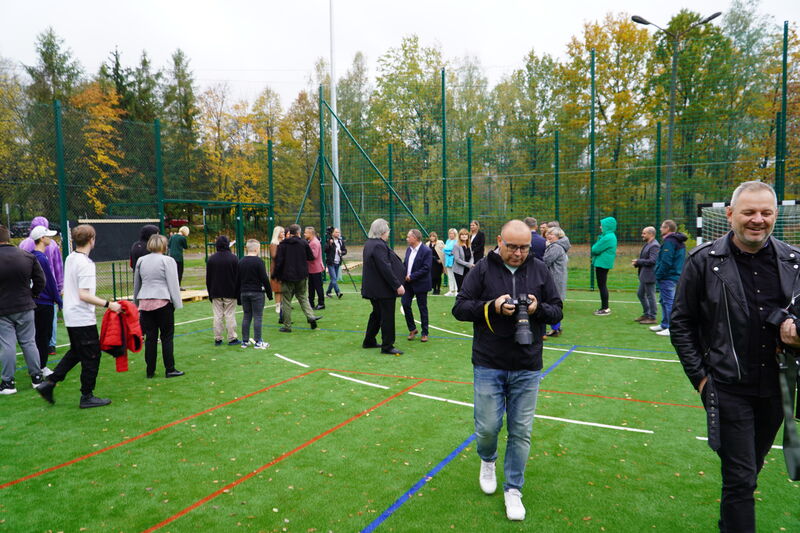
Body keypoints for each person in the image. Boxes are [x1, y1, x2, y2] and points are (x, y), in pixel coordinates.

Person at [671, 181, 799, 532]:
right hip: (727, 387)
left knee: (749, 470)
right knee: (740, 478)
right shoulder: (703, 261)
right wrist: (700, 380)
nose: (757, 219)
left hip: (778, 389)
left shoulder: (794, 262)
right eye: (749, 212)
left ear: (776, 216)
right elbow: (681, 323)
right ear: (730, 215)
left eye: (766, 212)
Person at [452, 220, 562, 522]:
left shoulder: (540, 269)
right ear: (500, 241)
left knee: (521, 430)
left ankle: (513, 488)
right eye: (511, 246)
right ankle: (487, 459)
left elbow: (557, 310)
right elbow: (460, 308)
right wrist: (493, 306)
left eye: (523, 247)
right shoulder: (483, 270)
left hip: (527, 364)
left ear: (531, 244)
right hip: (489, 362)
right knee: (487, 427)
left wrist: (538, 308)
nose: (517, 253)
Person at [37, 224, 122, 408]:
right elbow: (84, 294)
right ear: (92, 240)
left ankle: (49, 382)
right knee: (92, 356)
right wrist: (109, 305)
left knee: (77, 351)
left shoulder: (71, 257)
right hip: (81, 316)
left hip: (71, 313)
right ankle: (87, 396)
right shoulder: (85, 264)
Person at [0, 225, 45, 395]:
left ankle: (8, 383)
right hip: (25, 305)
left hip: (3, 309)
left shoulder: (27, 256)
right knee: (29, 342)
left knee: (7, 345)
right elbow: (41, 281)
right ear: (8, 238)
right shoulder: (27, 256)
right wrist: (32, 295)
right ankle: (37, 378)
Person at [134, 234, 184, 378]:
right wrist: (176, 302)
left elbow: (137, 284)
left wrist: (136, 303)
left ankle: (150, 370)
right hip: (163, 302)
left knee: (150, 338)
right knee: (167, 337)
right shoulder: (168, 261)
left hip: (145, 303)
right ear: (164, 246)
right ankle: (170, 369)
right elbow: (173, 283)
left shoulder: (141, 261)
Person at [19, 216, 64, 358]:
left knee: (34, 324)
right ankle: (50, 346)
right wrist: (59, 288)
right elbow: (56, 267)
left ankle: (35, 349)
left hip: (31, 292)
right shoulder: (50, 247)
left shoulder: (23, 244)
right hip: (47, 293)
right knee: (49, 322)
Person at [361, 218, 405, 355]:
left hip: (374, 288)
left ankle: (369, 340)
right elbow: (385, 267)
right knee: (387, 316)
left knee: (377, 314)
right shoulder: (378, 245)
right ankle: (387, 346)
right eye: (387, 230)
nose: (388, 232)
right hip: (383, 290)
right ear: (382, 231)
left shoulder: (369, 243)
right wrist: (397, 285)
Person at [272, 224, 322, 333]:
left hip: (287, 276)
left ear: (289, 233)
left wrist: (275, 275)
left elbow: (279, 262)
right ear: (299, 232)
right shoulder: (304, 243)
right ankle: (310, 316)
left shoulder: (283, 245)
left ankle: (287, 326)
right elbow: (311, 257)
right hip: (301, 275)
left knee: (286, 301)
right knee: (303, 297)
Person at [30, 225, 63, 375]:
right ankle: (41, 367)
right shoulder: (41, 258)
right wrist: (58, 299)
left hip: (36, 301)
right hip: (44, 302)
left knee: (38, 335)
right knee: (44, 336)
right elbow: (49, 281)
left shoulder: (32, 255)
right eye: (48, 236)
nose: (50, 238)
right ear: (42, 239)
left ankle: (37, 365)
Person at [649, 220, 687, 337]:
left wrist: (659, 274)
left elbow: (666, 261)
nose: (660, 229)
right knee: (664, 300)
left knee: (669, 301)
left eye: (662, 227)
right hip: (672, 275)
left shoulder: (670, 241)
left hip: (668, 276)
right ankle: (665, 324)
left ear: (668, 229)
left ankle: (671, 327)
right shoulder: (676, 241)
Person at [237, 239, 272, 349]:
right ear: (257, 249)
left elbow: (237, 280)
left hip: (244, 292)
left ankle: (245, 341)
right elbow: (264, 279)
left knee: (246, 316)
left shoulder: (241, 261)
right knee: (258, 316)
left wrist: (238, 296)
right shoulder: (259, 262)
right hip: (257, 292)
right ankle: (258, 341)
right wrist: (269, 293)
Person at [206, 235, 240, 346]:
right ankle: (232, 337)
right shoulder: (233, 258)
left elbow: (208, 278)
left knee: (217, 315)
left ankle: (218, 338)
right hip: (230, 291)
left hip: (215, 291)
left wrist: (210, 292)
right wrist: (238, 292)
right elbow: (237, 277)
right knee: (229, 315)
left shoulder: (212, 259)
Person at [402, 229, 432, 343]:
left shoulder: (426, 251)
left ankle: (425, 333)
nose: (407, 238)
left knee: (422, 308)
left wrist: (412, 276)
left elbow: (426, 268)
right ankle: (412, 329)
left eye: (408, 236)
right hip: (408, 284)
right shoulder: (408, 249)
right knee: (405, 304)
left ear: (415, 238)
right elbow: (405, 264)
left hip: (421, 283)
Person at [543, 227, 570, 338]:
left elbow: (546, 261)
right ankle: (556, 328)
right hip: (558, 278)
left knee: (551, 304)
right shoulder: (558, 246)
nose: (549, 236)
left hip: (554, 279)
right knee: (553, 304)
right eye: (548, 234)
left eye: (552, 234)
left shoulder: (556, 247)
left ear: (558, 236)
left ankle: (555, 328)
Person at [632, 226, 660, 325]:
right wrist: (637, 263)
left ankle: (652, 317)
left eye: (644, 233)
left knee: (650, 295)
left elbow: (653, 261)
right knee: (640, 294)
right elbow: (646, 259)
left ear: (651, 234)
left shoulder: (654, 246)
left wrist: (638, 261)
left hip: (650, 275)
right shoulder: (648, 244)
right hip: (644, 275)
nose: (642, 235)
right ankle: (646, 314)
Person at [590, 217, 617, 316]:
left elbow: (595, 249)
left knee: (602, 286)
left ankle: (605, 308)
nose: (600, 227)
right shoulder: (608, 236)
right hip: (603, 263)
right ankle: (604, 307)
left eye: (602, 225)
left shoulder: (608, 237)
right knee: (602, 286)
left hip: (602, 264)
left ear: (607, 226)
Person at [305, 226, 325, 310]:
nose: (304, 234)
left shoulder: (314, 243)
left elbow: (314, 255)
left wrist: (304, 254)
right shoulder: (311, 242)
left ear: (310, 233)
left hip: (315, 269)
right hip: (312, 269)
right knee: (311, 287)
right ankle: (311, 303)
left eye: (306, 232)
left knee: (318, 287)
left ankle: (321, 303)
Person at [324, 227, 347, 299]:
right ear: (332, 233)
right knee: (334, 278)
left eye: (338, 232)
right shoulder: (329, 241)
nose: (338, 233)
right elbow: (325, 250)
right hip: (331, 262)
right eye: (336, 232)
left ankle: (328, 292)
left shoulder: (341, 241)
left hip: (337, 262)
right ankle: (338, 292)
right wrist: (330, 244)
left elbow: (345, 251)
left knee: (334, 279)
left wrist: (342, 252)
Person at [269, 226, 285, 323]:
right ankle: (278, 305)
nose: (283, 234)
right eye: (281, 232)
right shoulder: (274, 243)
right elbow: (274, 255)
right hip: (276, 267)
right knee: (277, 287)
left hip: (283, 267)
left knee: (283, 287)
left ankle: (282, 304)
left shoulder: (284, 242)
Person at [453, 228, 474, 292]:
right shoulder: (456, 245)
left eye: (466, 234)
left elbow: (472, 257)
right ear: (459, 236)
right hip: (459, 271)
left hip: (468, 270)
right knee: (461, 290)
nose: (464, 236)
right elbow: (457, 259)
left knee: (467, 289)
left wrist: (471, 264)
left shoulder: (469, 245)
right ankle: (459, 302)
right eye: (462, 234)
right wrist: (469, 264)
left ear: (468, 236)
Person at [443, 228, 458, 296]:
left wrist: (448, 250)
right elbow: (444, 249)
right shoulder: (448, 241)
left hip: (454, 260)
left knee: (455, 276)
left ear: (455, 234)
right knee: (450, 276)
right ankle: (451, 290)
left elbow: (452, 250)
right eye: (450, 233)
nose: (451, 235)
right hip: (448, 260)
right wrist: (448, 250)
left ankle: (456, 291)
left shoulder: (456, 241)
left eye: (452, 233)